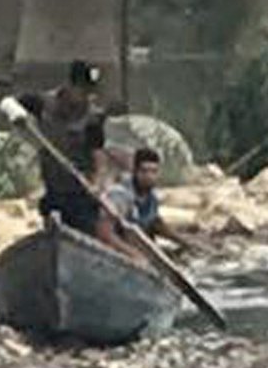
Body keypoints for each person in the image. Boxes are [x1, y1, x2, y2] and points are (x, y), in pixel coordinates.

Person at [35, 59, 104, 232]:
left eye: (91, 91)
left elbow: (98, 155)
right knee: (53, 229)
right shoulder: (43, 104)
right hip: (53, 189)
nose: (88, 97)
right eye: (83, 91)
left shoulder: (93, 119)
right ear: (69, 86)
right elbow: (10, 105)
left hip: (80, 193)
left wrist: (96, 184)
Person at [106, 144, 168, 238]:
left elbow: (155, 223)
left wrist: (185, 242)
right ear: (135, 171)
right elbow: (107, 234)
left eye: (154, 171)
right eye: (144, 171)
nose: (149, 177)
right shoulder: (120, 195)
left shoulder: (151, 197)